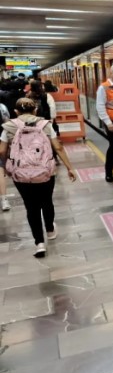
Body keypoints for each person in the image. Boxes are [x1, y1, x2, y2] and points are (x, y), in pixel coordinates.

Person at [0, 98, 76, 257]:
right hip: (45, 172)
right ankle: (49, 229)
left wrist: (8, 165)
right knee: (46, 201)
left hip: (21, 174)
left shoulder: (8, 127)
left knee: (31, 207)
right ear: (35, 110)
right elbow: (58, 147)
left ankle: (39, 243)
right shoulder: (46, 125)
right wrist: (70, 168)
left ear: (16, 112)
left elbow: (1, 151)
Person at [0, 100, 10, 211]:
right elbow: (7, 123)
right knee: (0, 171)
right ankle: (4, 200)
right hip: (0, 140)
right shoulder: (2, 107)